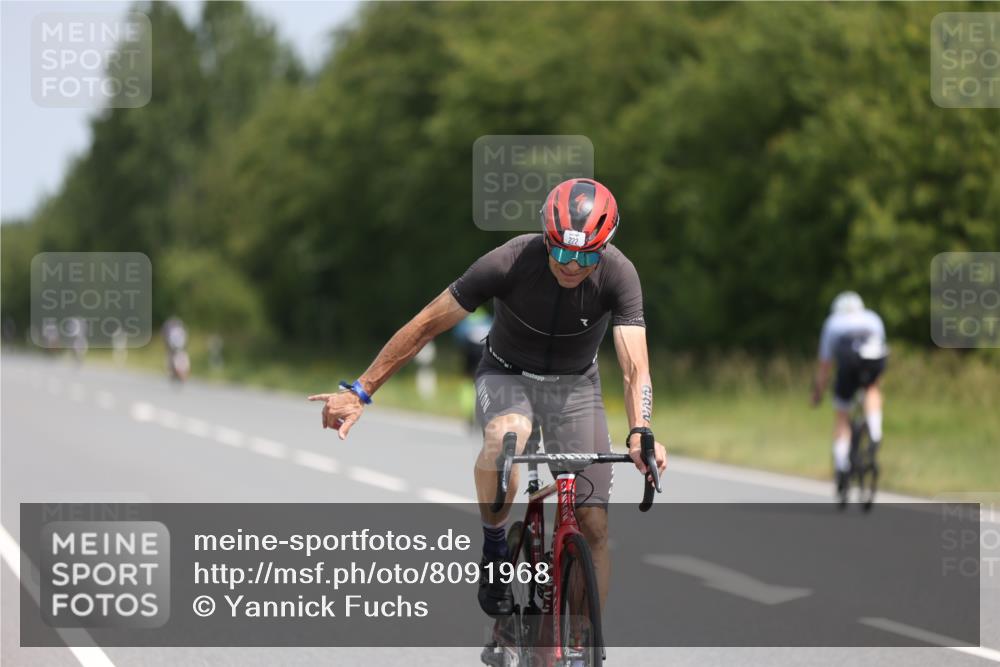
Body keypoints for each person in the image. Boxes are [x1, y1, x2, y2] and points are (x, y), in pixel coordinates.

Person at [310, 178, 667, 618]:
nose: (573, 265)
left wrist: (641, 430)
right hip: (506, 374)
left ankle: (581, 641)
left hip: (575, 387)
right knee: (506, 435)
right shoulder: (508, 261)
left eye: (587, 256)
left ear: (605, 248)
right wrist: (362, 390)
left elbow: (634, 366)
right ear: (546, 238)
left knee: (593, 524)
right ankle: (495, 549)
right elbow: (426, 324)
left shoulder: (619, 273)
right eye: (562, 253)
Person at [811, 291, 888, 495]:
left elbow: (825, 366)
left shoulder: (832, 323)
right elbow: (881, 350)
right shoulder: (872, 318)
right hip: (873, 360)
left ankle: (841, 465)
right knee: (872, 389)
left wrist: (818, 393)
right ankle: (875, 432)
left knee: (842, 416)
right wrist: (876, 384)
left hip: (848, 364)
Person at [162, 316, 190, 382]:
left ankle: (175, 372)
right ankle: (174, 372)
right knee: (173, 359)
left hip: (177, 348)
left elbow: (168, 339)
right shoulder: (180, 330)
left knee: (175, 359)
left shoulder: (176, 330)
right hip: (177, 348)